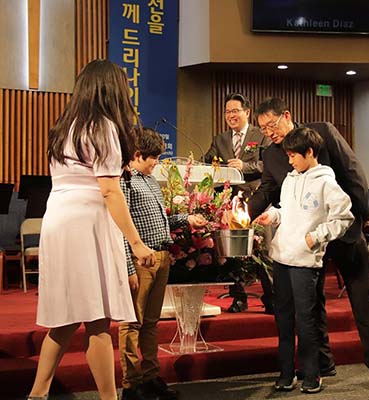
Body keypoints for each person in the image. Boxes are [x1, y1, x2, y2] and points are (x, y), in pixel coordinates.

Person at [27, 59, 156, 400]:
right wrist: (137, 243)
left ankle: (37, 395)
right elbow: (110, 190)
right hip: (86, 220)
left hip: (58, 217)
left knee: (67, 319)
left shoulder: (65, 126)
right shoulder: (103, 127)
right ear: (112, 90)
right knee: (98, 320)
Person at [248, 97, 369, 391]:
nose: (269, 133)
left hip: (343, 233)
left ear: (287, 115)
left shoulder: (322, 132)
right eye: (263, 129)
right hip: (306, 242)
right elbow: (267, 190)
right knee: (311, 305)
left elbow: (352, 170)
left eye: (272, 125)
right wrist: (243, 213)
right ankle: (323, 362)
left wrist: (363, 213)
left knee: (363, 300)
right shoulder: (274, 155)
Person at [255, 127, 354, 394]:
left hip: (305, 261)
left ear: (309, 152)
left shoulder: (326, 182)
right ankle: (287, 373)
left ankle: (312, 373)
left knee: (306, 320)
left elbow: (345, 217)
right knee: (283, 319)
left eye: (293, 156)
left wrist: (318, 236)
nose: (289, 161)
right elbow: (288, 211)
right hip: (282, 256)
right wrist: (273, 216)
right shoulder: (290, 180)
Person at [119, 128, 207, 400]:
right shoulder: (126, 181)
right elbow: (120, 227)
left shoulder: (151, 181)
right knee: (132, 323)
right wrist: (127, 266)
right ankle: (130, 385)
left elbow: (160, 223)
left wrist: (186, 219)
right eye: (153, 157)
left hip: (161, 255)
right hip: (140, 259)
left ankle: (150, 378)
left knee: (151, 322)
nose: (156, 162)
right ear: (136, 154)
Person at [203, 93, 273, 314]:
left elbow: (268, 164)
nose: (230, 115)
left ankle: (272, 298)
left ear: (247, 112)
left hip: (256, 200)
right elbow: (208, 161)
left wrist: (245, 166)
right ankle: (239, 298)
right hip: (230, 204)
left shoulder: (260, 135)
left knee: (263, 250)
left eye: (235, 111)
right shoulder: (220, 139)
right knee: (233, 253)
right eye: (227, 112)